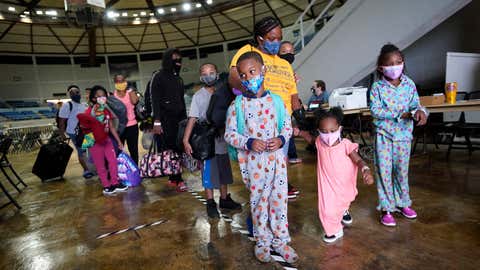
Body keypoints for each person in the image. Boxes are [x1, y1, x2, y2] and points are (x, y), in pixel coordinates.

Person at [225, 52, 298, 264]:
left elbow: (286, 127)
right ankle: (263, 242)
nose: (248, 78)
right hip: (254, 165)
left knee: (279, 202)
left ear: (263, 70)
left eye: (252, 72)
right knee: (259, 203)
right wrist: (248, 142)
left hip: (277, 164)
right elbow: (229, 134)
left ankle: (281, 241)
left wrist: (282, 140)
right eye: (243, 75)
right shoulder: (237, 106)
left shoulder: (276, 101)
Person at [229, 16, 302, 199]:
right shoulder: (249, 51)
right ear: (260, 38)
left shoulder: (283, 63)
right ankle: (261, 207)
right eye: (272, 38)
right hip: (259, 119)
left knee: (279, 163)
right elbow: (233, 77)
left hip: (281, 121)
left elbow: (292, 92)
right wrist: (253, 96)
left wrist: (296, 117)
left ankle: (278, 198)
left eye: (279, 38)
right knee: (258, 169)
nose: (276, 42)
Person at [293, 107, 374, 243]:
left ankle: (343, 210)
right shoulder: (320, 142)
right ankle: (334, 230)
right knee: (327, 209)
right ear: (319, 131)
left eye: (332, 131)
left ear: (340, 129)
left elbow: (358, 159)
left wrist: (365, 170)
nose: (328, 135)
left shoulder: (345, 145)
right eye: (324, 132)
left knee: (344, 199)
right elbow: (312, 140)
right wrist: (300, 132)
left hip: (344, 182)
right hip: (328, 185)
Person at [370, 44, 428, 226]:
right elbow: (375, 110)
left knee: (401, 173)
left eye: (398, 62)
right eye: (390, 63)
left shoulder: (409, 84)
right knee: (384, 173)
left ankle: (403, 203)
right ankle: (387, 209)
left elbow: (416, 105)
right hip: (384, 137)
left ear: (403, 63)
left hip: (403, 136)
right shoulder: (377, 87)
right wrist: (398, 114)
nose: (395, 66)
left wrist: (421, 112)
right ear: (381, 67)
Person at [183, 63, 241, 218]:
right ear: (201, 77)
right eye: (205, 73)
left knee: (223, 171)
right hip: (206, 141)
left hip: (223, 139)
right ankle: (210, 202)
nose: (208, 75)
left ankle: (224, 199)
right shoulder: (198, 96)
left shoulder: (224, 92)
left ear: (217, 74)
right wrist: (185, 140)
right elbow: (193, 118)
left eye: (211, 72)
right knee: (208, 172)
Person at [148, 48, 188, 192]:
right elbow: (155, 100)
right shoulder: (158, 76)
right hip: (165, 120)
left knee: (178, 149)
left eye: (179, 59)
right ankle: (177, 178)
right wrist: (157, 121)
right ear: (167, 59)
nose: (177, 61)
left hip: (179, 120)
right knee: (171, 150)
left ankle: (174, 177)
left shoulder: (178, 78)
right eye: (174, 58)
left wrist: (185, 120)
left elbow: (181, 100)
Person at [79, 85, 127, 195]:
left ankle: (115, 182)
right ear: (93, 98)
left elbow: (111, 127)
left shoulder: (106, 110)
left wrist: (119, 141)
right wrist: (89, 146)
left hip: (107, 140)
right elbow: (85, 130)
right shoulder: (88, 112)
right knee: (100, 165)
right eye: (98, 96)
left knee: (113, 161)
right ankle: (106, 186)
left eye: (104, 96)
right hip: (95, 142)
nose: (102, 98)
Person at [57, 85, 93, 179]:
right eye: (72, 93)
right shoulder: (67, 105)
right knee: (81, 151)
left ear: (80, 93)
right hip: (74, 133)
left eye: (76, 92)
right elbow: (61, 122)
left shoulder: (84, 105)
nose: (75, 94)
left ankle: (92, 167)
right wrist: (62, 134)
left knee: (90, 149)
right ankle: (86, 170)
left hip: (87, 132)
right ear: (70, 95)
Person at [278, 41, 302, 165]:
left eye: (291, 52)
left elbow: (293, 94)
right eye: (284, 52)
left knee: (283, 154)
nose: (289, 55)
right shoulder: (273, 69)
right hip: (275, 114)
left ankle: (283, 182)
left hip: (287, 114)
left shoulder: (290, 71)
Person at [113, 74, 139, 165]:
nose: (120, 83)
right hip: (119, 127)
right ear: (115, 83)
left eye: (122, 81)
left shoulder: (130, 92)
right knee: (119, 150)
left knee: (134, 150)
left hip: (132, 126)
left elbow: (135, 102)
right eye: (118, 81)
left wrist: (131, 90)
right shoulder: (113, 96)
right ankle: (121, 171)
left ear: (126, 82)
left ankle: (135, 170)